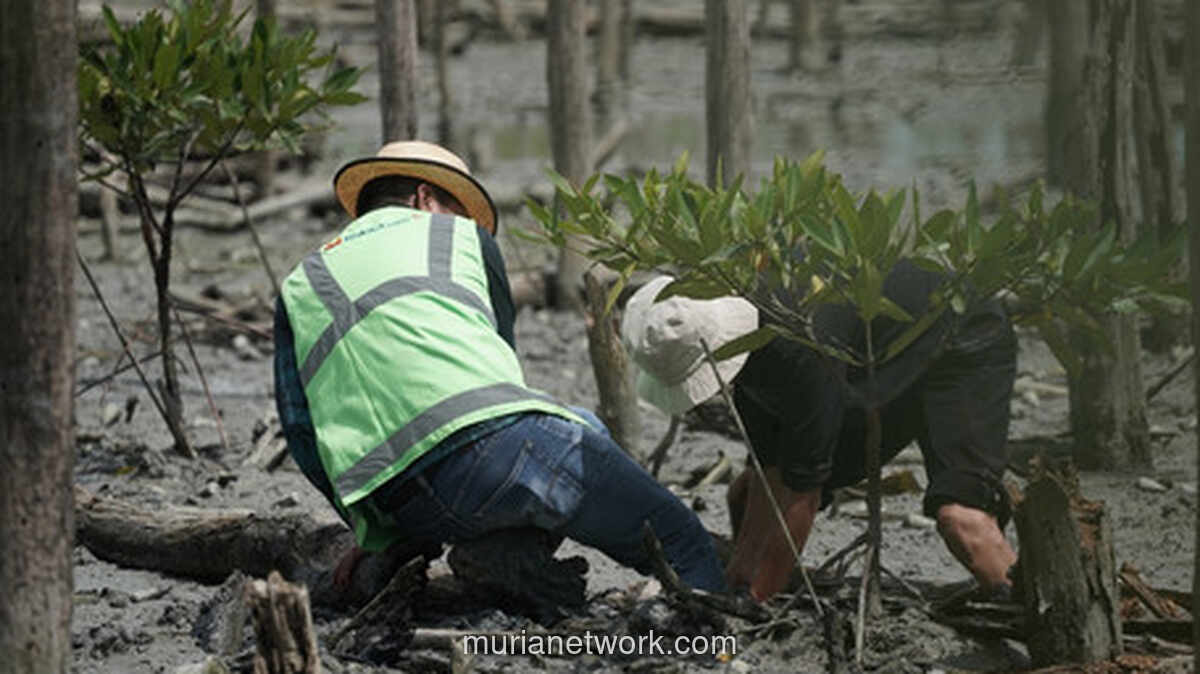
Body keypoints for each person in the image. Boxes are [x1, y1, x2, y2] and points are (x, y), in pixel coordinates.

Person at [273, 141, 727, 609]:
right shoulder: (465, 240)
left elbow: (302, 433)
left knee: (579, 423)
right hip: (488, 458)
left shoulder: (301, 281)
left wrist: (372, 532)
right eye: (459, 210)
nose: (466, 224)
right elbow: (502, 388)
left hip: (398, 500)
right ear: (425, 198)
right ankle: (710, 643)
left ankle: (499, 558)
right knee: (683, 540)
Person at [621, 263, 1018, 602]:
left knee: (962, 522)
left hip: (961, 331)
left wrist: (758, 602)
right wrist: (735, 581)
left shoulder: (800, 350)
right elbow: (770, 473)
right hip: (877, 346)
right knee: (744, 492)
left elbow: (801, 494)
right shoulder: (750, 340)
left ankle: (1033, 615)